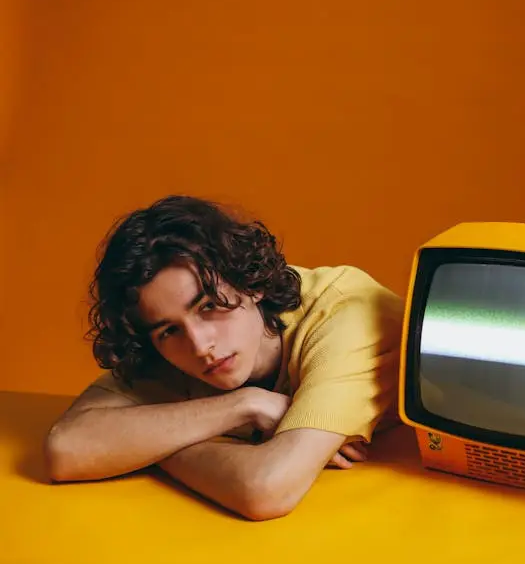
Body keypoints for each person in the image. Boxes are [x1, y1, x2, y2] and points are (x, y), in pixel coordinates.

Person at [43, 195, 405, 521]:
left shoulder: (345, 316)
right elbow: (67, 448)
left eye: (209, 306)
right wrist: (243, 405)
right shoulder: (171, 350)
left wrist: (145, 448)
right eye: (168, 330)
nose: (200, 345)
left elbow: (265, 489)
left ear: (253, 284)